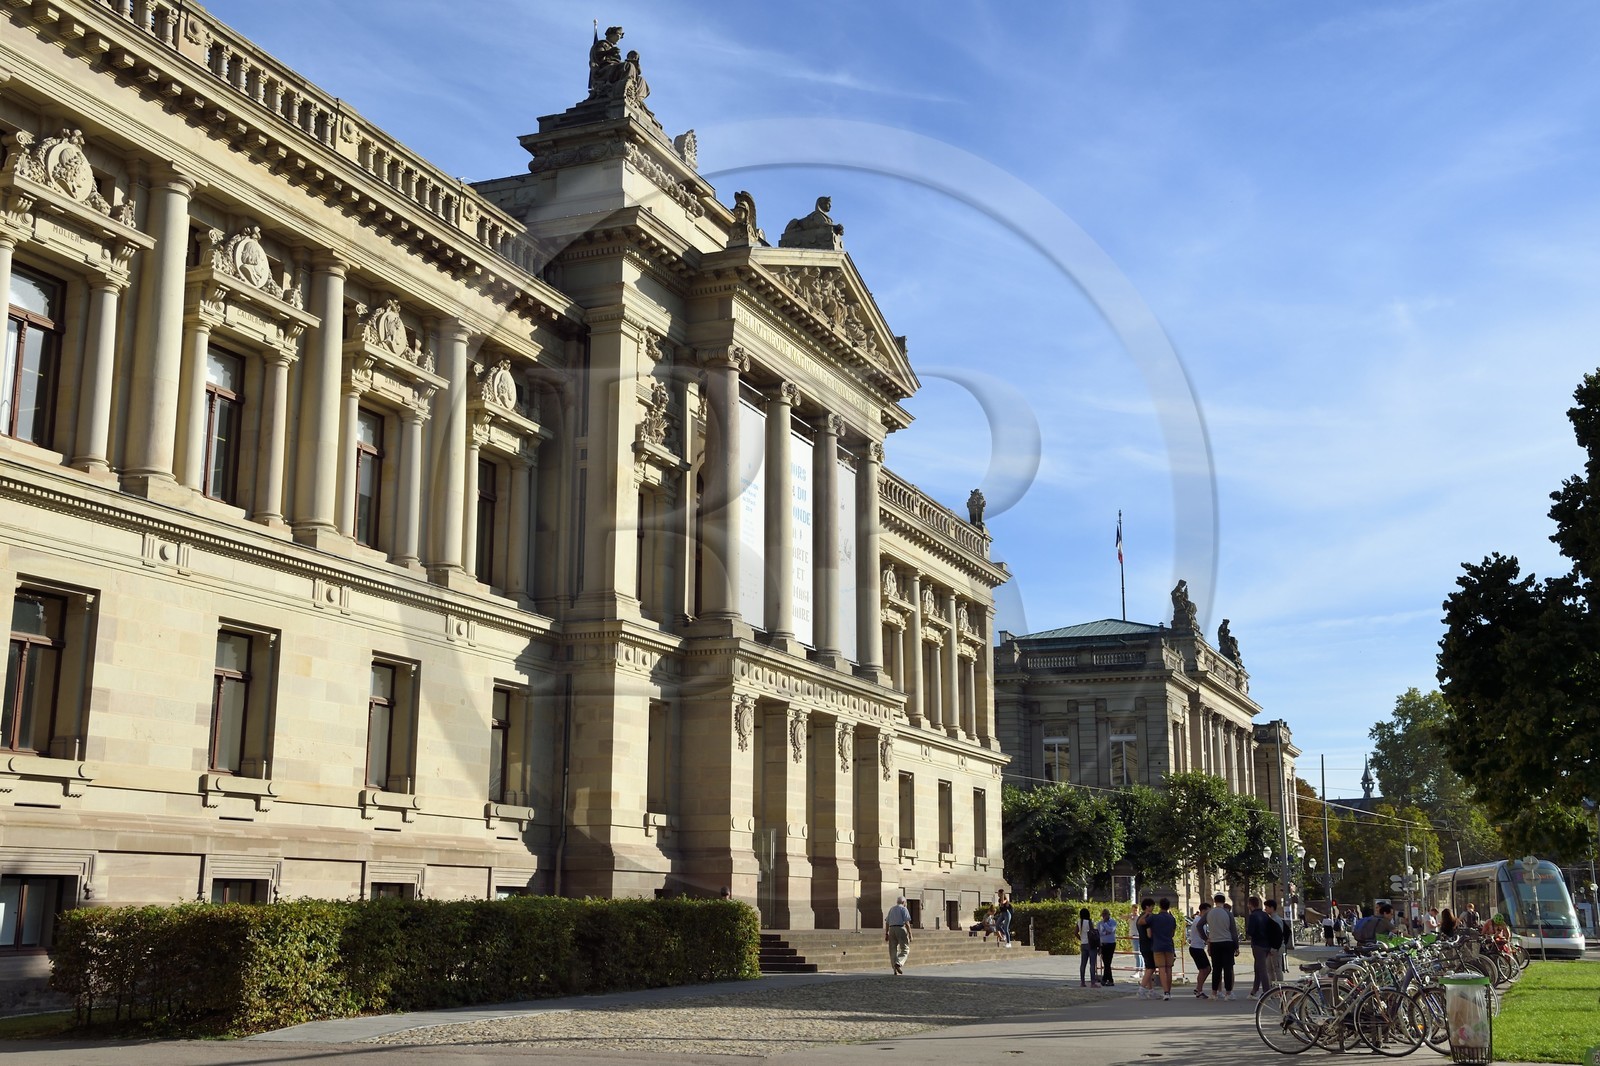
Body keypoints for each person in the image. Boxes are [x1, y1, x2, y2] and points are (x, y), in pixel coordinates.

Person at [1206, 893, 1238, 1000]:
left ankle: (1214, 993)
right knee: (1228, 968)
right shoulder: (1227, 913)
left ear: (1214, 901)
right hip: (1227, 942)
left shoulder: (1209, 913)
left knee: (1216, 969)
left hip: (1214, 942)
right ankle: (1228, 993)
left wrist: (1206, 938)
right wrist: (1236, 945)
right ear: (1224, 902)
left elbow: (1199, 925)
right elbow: (1233, 931)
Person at [1149, 898, 1178, 1000]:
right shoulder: (1172, 918)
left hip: (1157, 945)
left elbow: (1143, 924)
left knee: (1161, 969)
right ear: (1168, 906)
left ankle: (1165, 992)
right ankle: (1169, 991)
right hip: (1169, 945)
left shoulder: (1154, 918)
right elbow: (1173, 933)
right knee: (1169, 968)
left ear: (1159, 906)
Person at [1245, 896, 1272, 999]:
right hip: (1266, 944)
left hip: (1258, 944)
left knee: (1261, 968)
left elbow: (1250, 931)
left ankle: (1267, 992)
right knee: (1258, 967)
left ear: (1250, 905)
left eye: (1248, 904)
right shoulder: (1265, 915)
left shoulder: (1253, 916)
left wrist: (1248, 932)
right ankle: (1254, 991)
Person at [1187, 901, 1212, 998]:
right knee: (1205, 969)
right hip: (1196, 948)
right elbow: (1202, 934)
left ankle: (1198, 988)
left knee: (1205, 969)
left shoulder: (1201, 921)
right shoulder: (1198, 921)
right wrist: (1207, 940)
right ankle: (1198, 989)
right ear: (1203, 910)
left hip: (1199, 947)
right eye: (1208, 911)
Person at [1135, 898, 1157, 998]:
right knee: (1151, 968)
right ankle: (1142, 989)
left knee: (1148, 968)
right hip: (1149, 946)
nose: (1153, 908)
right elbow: (1149, 934)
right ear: (1147, 907)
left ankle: (1151, 990)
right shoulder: (1147, 919)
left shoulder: (1139, 918)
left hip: (1142, 944)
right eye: (1152, 906)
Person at [885, 895, 912, 975]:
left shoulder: (892, 909)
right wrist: (910, 934)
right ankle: (898, 963)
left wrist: (886, 933)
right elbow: (907, 922)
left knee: (892, 949)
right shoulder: (903, 909)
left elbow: (887, 922)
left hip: (892, 929)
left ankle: (894, 969)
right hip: (900, 928)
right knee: (905, 949)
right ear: (903, 902)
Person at [1265, 899, 1287, 985]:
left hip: (1276, 948)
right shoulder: (1272, 919)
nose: (1265, 909)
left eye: (1267, 907)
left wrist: (1274, 947)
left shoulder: (1276, 920)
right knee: (1270, 969)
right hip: (1272, 947)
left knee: (1277, 969)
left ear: (1272, 908)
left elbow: (1278, 935)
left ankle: (1280, 989)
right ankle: (1273, 989)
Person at [1096, 908, 1119, 985]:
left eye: (1105, 915)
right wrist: (1098, 946)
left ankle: (1105, 979)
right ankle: (1109, 980)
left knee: (1108, 962)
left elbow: (1111, 930)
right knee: (1106, 962)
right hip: (1103, 944)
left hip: (1111, 943)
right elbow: (1099, 934)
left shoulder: (1113, 922)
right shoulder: (1099, 923)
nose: (1104, 917)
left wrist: (1105, 924)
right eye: (1103, 915)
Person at [1078, 906, 1099, 986]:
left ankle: (1082, 982)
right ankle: (1093, 982)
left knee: (1083, 963)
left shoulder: (1079, 922)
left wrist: (1081, 938)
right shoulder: (1089, 922)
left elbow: (1075, 932)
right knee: (1092, 964)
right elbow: (1092, 932)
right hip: (1091, 944)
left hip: (1083, 944)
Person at [1127, 904, 1146, 980]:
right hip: (1133, 936)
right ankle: (1141, 970)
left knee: (1138, 954)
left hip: (1137, 936)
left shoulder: (1138, 918)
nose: (1134, 912)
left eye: (1136, 910)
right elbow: (1122, 917)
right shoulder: (1131, 917)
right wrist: (1129, 916)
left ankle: (1138, 971)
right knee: (1138, 954)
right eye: (1133, 910)